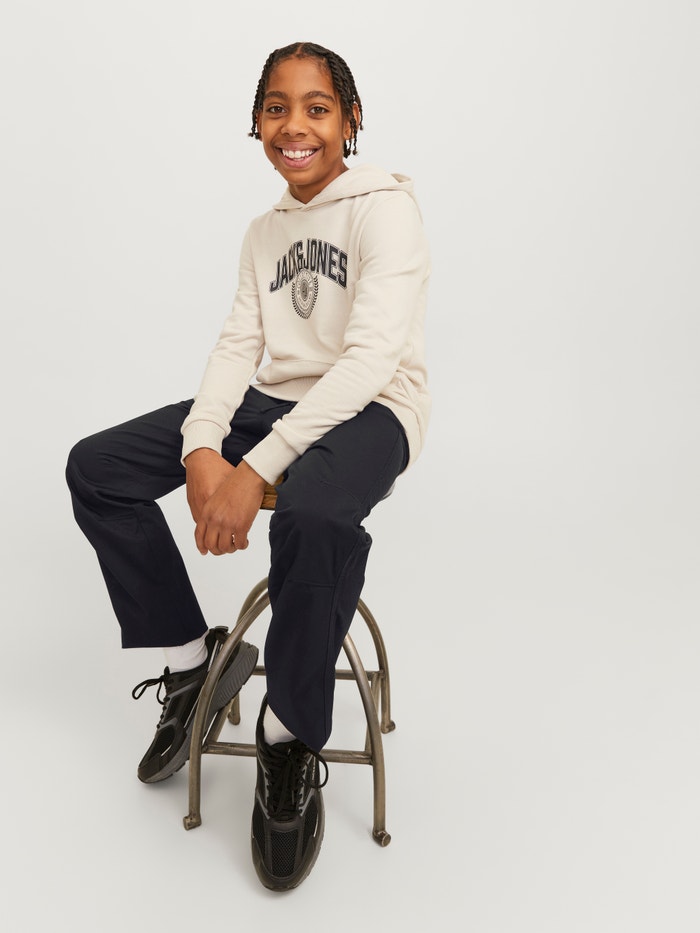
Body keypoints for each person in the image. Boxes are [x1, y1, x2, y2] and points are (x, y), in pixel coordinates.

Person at [66, 40, 430, 891]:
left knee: (314, 510)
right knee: (98, 467)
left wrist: (253, 467)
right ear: (257, 122)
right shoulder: (264, 231)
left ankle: (287, 737)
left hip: (375, 409)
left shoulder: (386, 211)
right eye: (276, 107)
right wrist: (203, 445)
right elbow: (240, 344)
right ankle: (196, 662)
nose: (294, 126)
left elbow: (368, 362)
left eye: (316, 108)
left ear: (350, 119)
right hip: (276, 401)